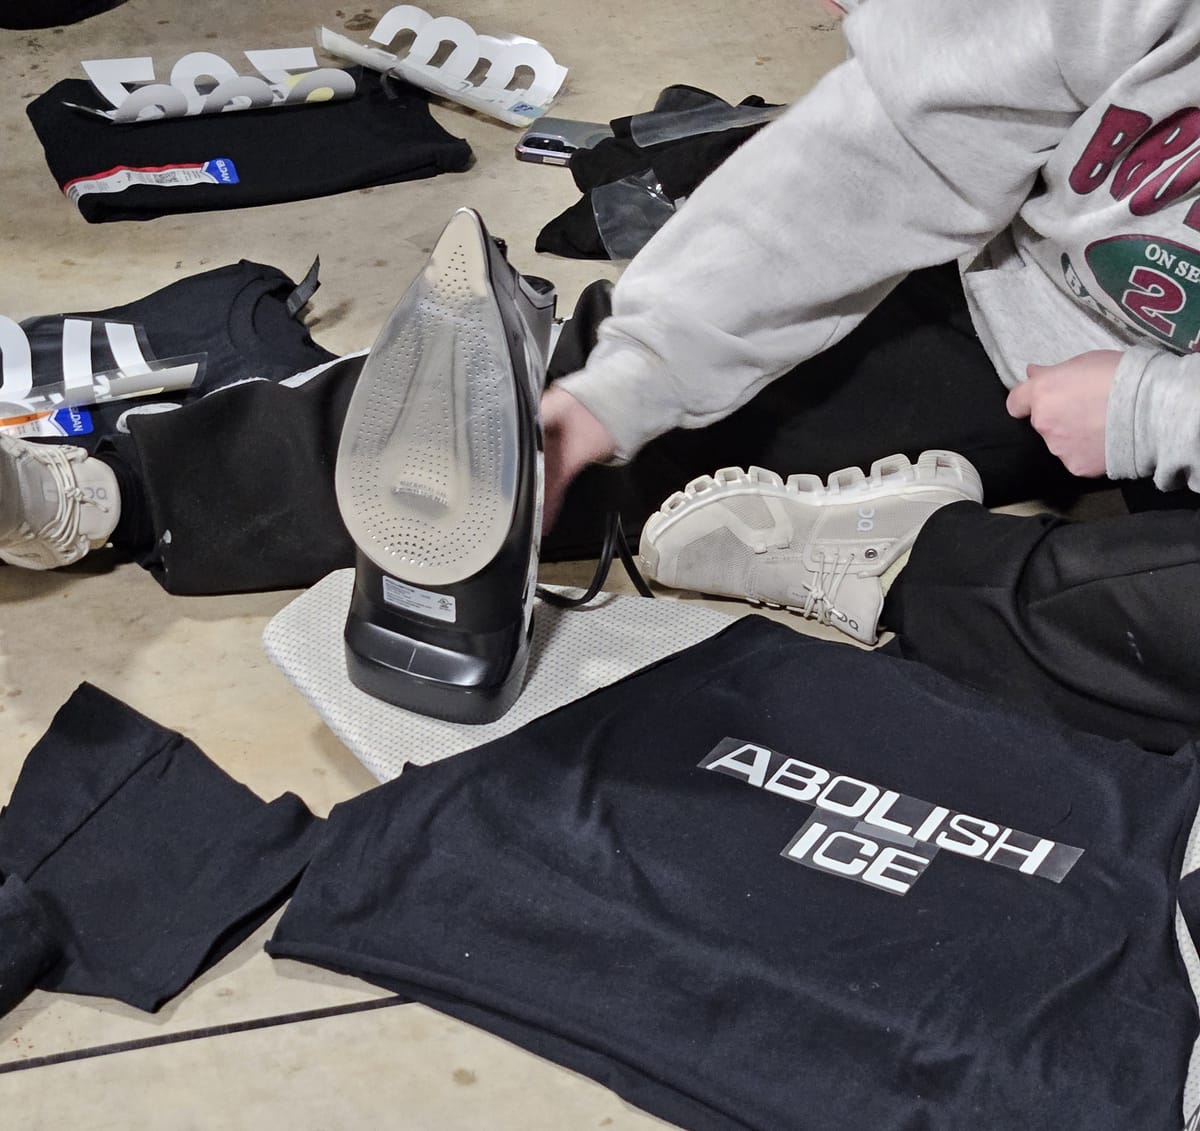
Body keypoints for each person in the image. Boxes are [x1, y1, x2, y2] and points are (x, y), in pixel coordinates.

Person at [4, 0, 1200, 755]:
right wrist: (627, 379)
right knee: (563, 414)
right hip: (1028, 306)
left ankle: (900, 569)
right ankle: (137, 485)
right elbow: (885, 153)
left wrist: (1150, 409)